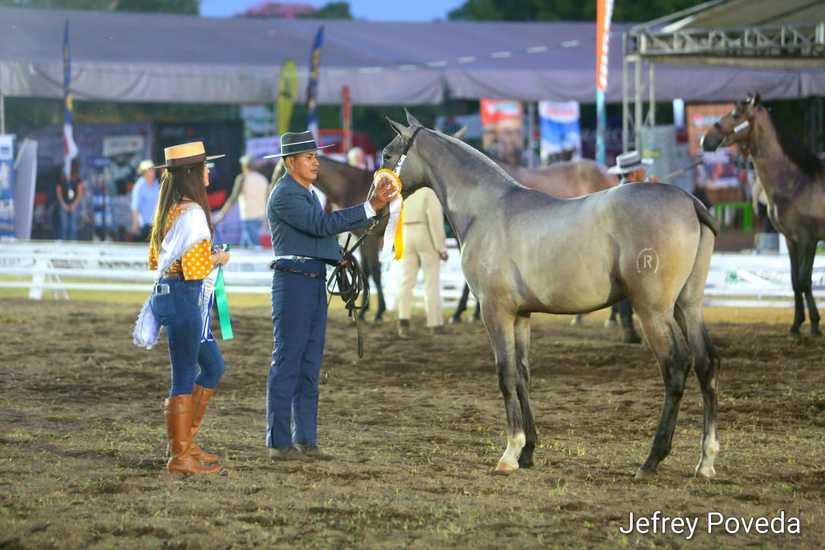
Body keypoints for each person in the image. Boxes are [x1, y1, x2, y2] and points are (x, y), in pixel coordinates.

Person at [263, 130, 397, 460]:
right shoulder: (286, 195)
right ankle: (279, 442)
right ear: (290, 162)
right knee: (288, 362)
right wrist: (371, 206)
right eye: (309, 157)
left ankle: (306, 439)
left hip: (309, 281)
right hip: (293, 284)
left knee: (309, 364)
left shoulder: (306, 193)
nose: (315, 162)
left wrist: (337, 254)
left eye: (315, 156)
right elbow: (320, 226)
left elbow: (315, 234)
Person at [147, 141, 231, 475]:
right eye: (204, 167)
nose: (208, 171)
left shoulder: (169, 210)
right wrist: (218, 258)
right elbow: (196, 269)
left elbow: (156, 260)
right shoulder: (193, 213)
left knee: (212, 366)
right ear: (193, 174)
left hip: (173, 295)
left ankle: (185, 444)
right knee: (185, 374)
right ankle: (180, 456)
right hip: (185, 298)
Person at [605, 150, 654, 344]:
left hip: (616, 247)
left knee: (624, 289)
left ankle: (627, 327)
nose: (644, 171)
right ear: (634, 173)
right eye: (642, 169)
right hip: (633, 247)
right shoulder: (636, 193)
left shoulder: (618, 192)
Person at [396, 187, 448, 337]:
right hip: (424, 232)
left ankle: (403, 321)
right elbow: (435, 219)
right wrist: (441, 247)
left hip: (406, 233)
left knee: (406, 281)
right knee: (431, 282)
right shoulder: (428, 191)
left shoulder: (404, 190)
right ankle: (434, 323)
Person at [214, 155, 269, 248]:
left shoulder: (242, 178)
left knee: (255, 248)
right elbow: (268, 198)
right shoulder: (263, 179)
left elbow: (232, 199)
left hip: (248, 216)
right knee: (245, 245)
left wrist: (221, 215)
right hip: (261, 216)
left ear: (244, 166)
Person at [131, 159, 160, 242]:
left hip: (156, 224)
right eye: (150, 170)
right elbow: (135, 207)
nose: (153, 172)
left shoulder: (156, 184)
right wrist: (135, 224)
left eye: (153, 169)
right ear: (144, 172)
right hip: (145, 225)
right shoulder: (139, 186)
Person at [56, 161, 85, 240]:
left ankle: (72, 244)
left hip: (74, 206)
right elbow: (58, 192)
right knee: (64, 226)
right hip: (64, 205)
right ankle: (63, 243)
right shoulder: (61, 179)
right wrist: (63, 204)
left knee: (72, 227)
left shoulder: (78, 179)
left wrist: (74, 205)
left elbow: (80, 193)